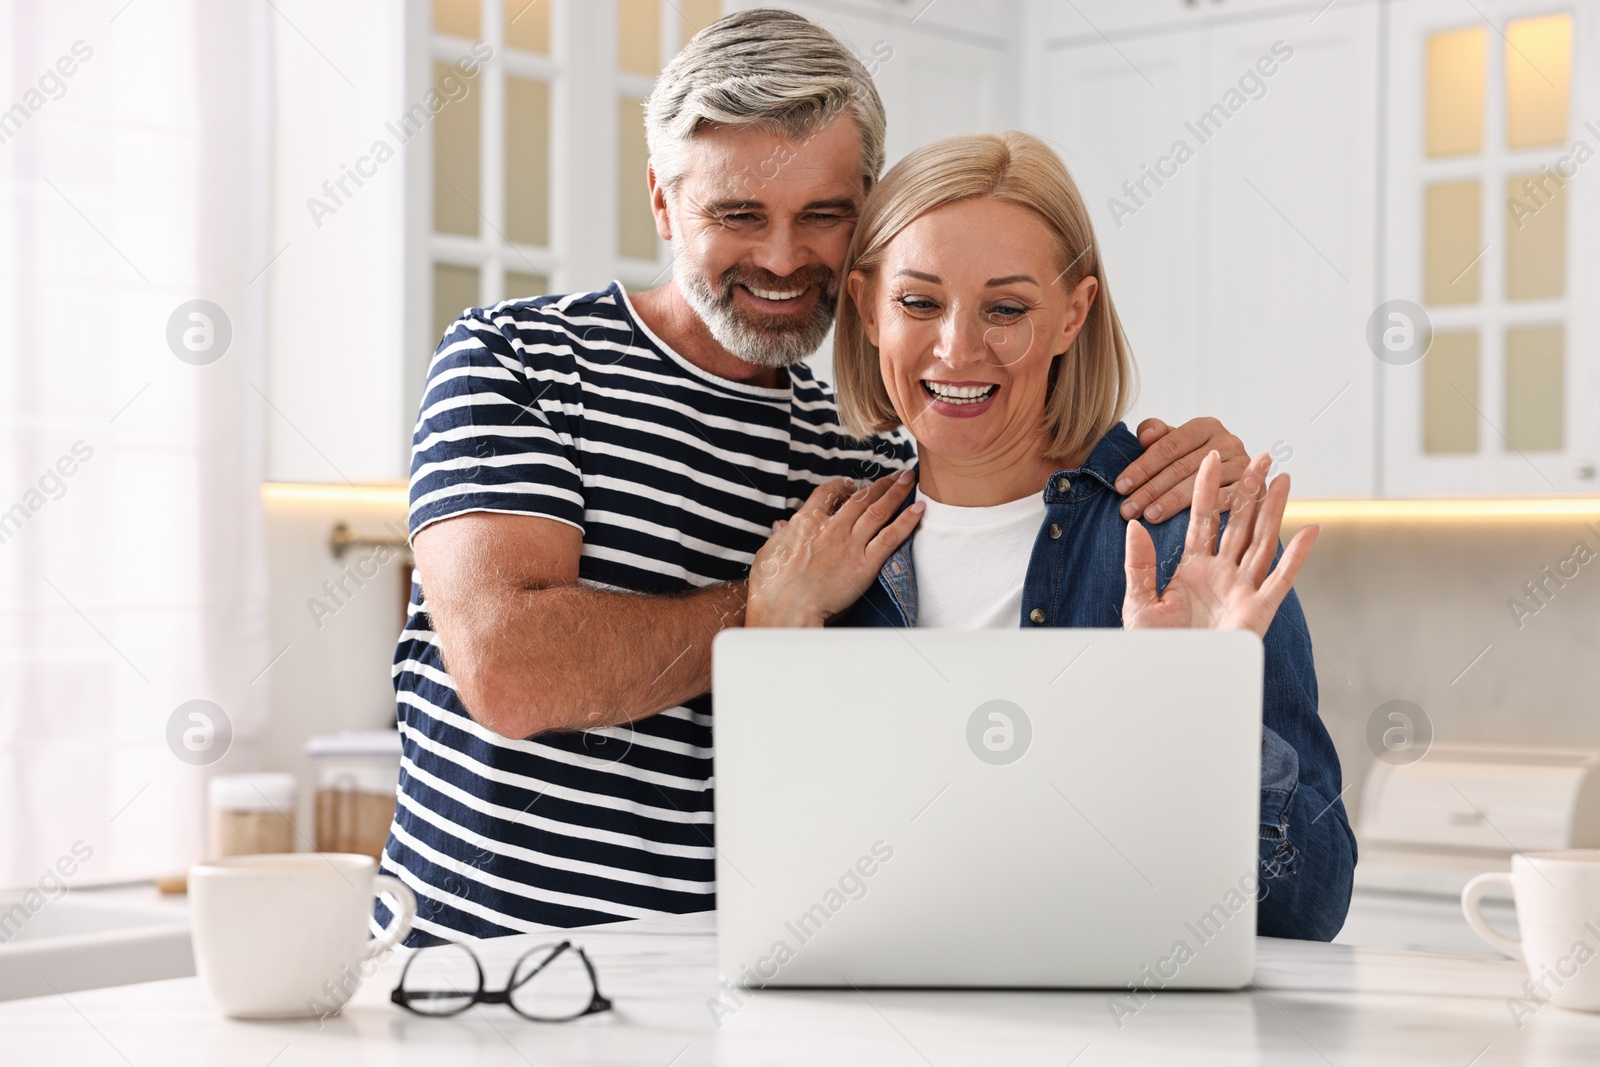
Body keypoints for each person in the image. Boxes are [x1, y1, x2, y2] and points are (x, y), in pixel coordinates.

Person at [382, 9, 1253, 943]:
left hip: (743, 987)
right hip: (478, 980)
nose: (785, 257)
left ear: (868, 217)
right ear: (664, 202)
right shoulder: (519, 361)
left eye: (823, 216)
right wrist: (760, 610)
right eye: (739, 214)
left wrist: (1172, 471)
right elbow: (509, 669)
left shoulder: (871, 452)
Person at [745, 131, 1354, 940]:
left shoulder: (1186, 542)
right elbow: (783, 889)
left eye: (1007, 308)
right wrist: (774, 635)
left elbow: (1307, 904)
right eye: (919, 302)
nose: (958, 348)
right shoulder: (824, 570)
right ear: (865, 307)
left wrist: (1192, 703)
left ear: (1073, 314)